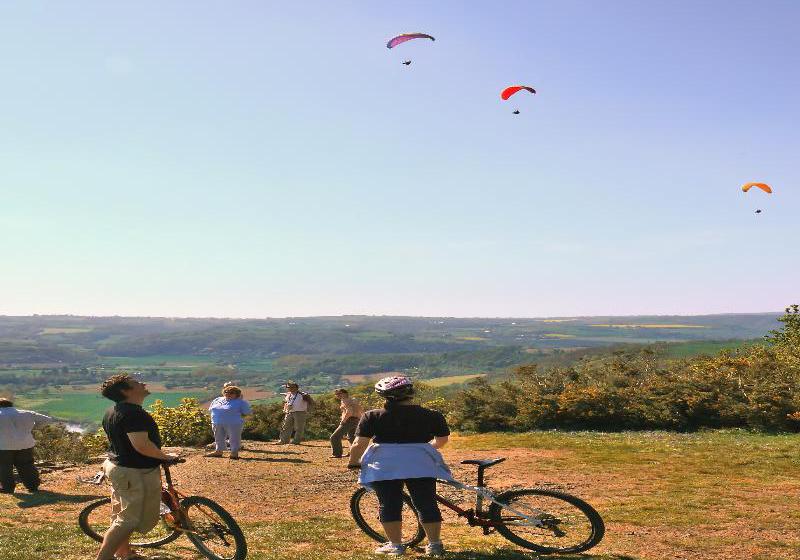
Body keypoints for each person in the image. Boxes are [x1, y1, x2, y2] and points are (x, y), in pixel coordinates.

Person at [348, 376, 452, 556]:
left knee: (389, 504)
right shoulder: (432, 415)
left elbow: (359, 444)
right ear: (411, 393)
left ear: (384, 396)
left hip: (385, 465)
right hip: (421, 464)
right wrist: (423, 448)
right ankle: (435, 544)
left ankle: (395, 546)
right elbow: (442, 440)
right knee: (426, 503)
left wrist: (353, 462)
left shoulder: (372, 416)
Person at [95, 375, 179, 560]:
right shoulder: (134, 414)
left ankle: (124, 553)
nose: (143, 383)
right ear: (126, 391)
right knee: (129, 519)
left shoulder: (113, 410)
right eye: (136, 383)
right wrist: (165, 457)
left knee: (120, 514)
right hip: (134, 472)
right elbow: (141, 445)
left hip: (118, 468)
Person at [0, 397, 55, 494]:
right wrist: (33, 428)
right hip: (26, 444)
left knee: (4, 467)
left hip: (4, 446)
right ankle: (33, 486)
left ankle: (8, 488)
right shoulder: (27, 413)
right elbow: (48, 420)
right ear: (11, 405)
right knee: (26, 465)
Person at [205, 384, 251, 460]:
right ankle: (218, 451)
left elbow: (246, 412)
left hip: (233, 423)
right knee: (218, 437)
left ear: (237, 394)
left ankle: (234, 453)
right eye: (226, 392)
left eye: (231, 392)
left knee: (234, 438)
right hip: (217, 422)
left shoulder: (241, 402)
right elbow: (211, 409)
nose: (228, 394)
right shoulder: (217, 399)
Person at [329, 388, 362, 458]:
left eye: (339, 394)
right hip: (356, 420)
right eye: (336, 394)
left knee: (334, 437)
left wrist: (343, 420)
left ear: (344, 394)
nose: (337, 395)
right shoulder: (353, 399)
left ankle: (337, 454)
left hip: (348, 421)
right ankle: (353, 453)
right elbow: (360, 410)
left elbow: (349, 412)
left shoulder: (345, 400)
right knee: (351, 438)